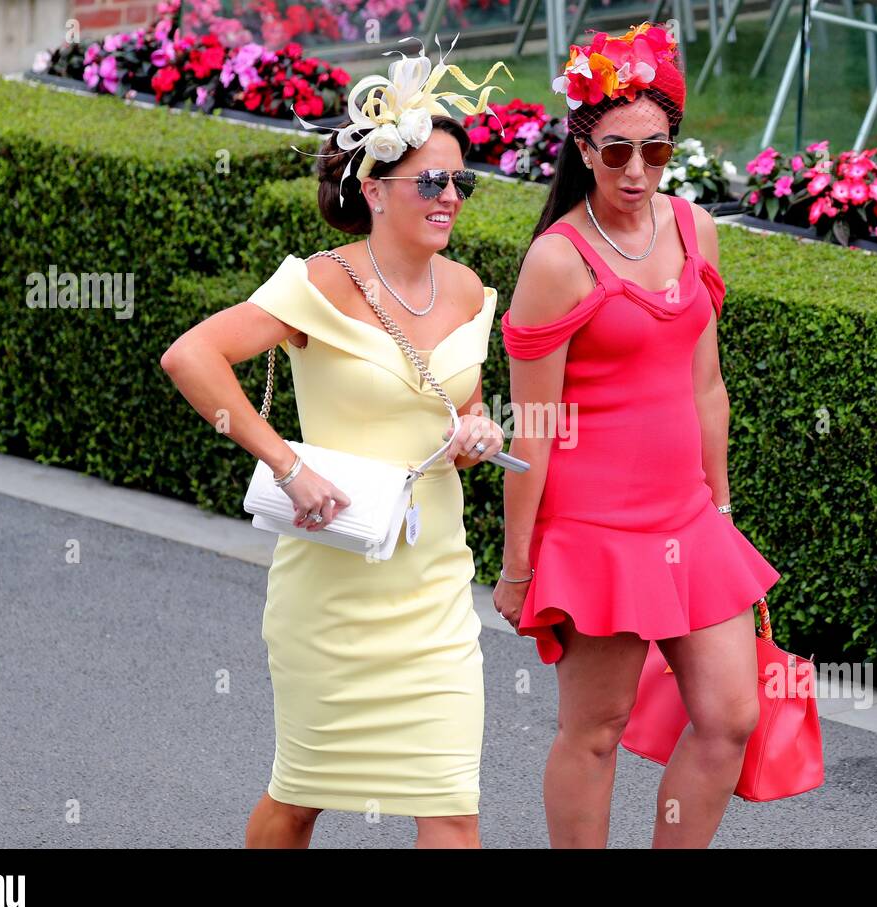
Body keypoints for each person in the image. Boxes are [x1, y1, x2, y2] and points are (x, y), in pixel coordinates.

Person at [160, 41, 510, 848]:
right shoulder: (316, 282)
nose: (449, 195)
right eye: (430, 179)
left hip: (435, 588)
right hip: (331, 590)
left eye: (461, 180)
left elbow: (461, 403)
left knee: (453, 808)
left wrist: (478, 431)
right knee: (299, 801)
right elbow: (191, 357)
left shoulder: (467, 289)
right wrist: (287, 463)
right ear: (374, 188)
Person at [494, 23, 782, 849]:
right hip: (595, 531)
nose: (636, 171)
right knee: (596, 729)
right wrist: (520, 566)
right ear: (583, 145)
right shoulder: (558, 260)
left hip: (688, 520)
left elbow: (706, 385)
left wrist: (721, 512)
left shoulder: (695, 229)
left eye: (656, 151)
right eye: (617, 151)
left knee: (730, 717)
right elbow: (534, 426)